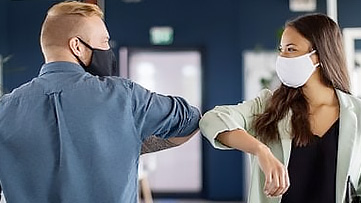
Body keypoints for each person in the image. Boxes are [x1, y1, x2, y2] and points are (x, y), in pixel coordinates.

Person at [0, 1, 200, 203]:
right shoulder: (124, 96)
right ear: (76, 46)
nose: (107, 49)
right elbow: (189, 120)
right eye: (104, 42)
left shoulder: (4, 109)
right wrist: (133, 143)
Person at [200, 13, 361, 203]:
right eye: (281, 49)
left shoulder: (357, 114)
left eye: (291, 49)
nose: (282, 57)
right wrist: (261, 150)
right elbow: (212, 119)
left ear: (318, 55)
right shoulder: (269, 107)